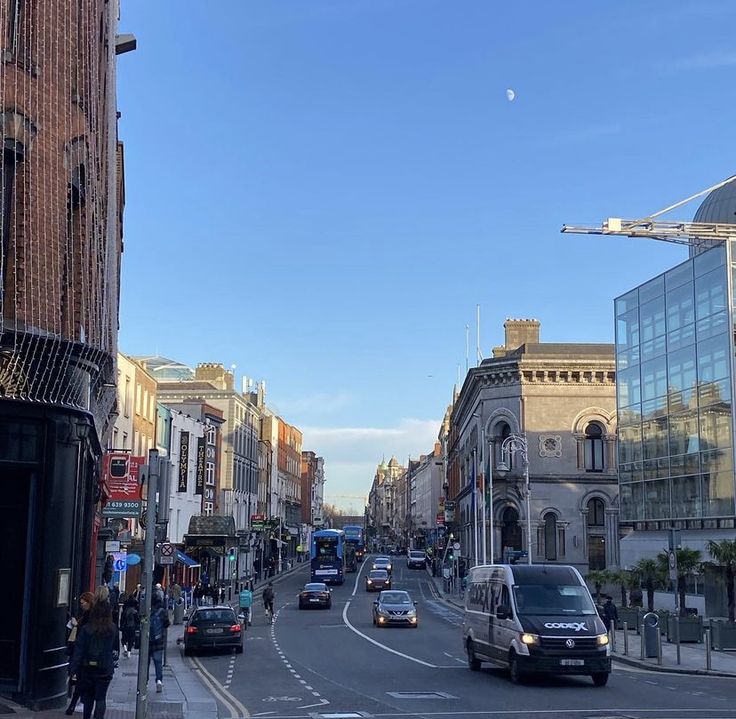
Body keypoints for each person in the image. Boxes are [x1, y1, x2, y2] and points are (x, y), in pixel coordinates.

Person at [70, 594, 119, 719]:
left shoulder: (87, 629)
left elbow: (79, 650)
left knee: (88, 698)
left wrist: (74, 669)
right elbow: (115, 649)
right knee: (101, 699)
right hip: (105, 668)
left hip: (87, 668)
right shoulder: (112, 629)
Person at [66, 592, 95, 715]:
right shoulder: (86, 614)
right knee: (79, 681)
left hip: (84, 653)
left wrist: (76, 625)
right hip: (81, 652)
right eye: (81, 603)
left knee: (80, 681)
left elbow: (86, 632)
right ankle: (74, 705)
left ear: (89, 603)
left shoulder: (90, 616)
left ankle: (74, 705)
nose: (82, 605)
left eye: (83, 603)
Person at [148, 595, 170, 693]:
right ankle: (159, 681)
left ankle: (145, 682)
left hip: (147, 640)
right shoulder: (162, 612)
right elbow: (167, 624)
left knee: (145, 663)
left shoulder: (147, 609)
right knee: (158, 662)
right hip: (159, 641)